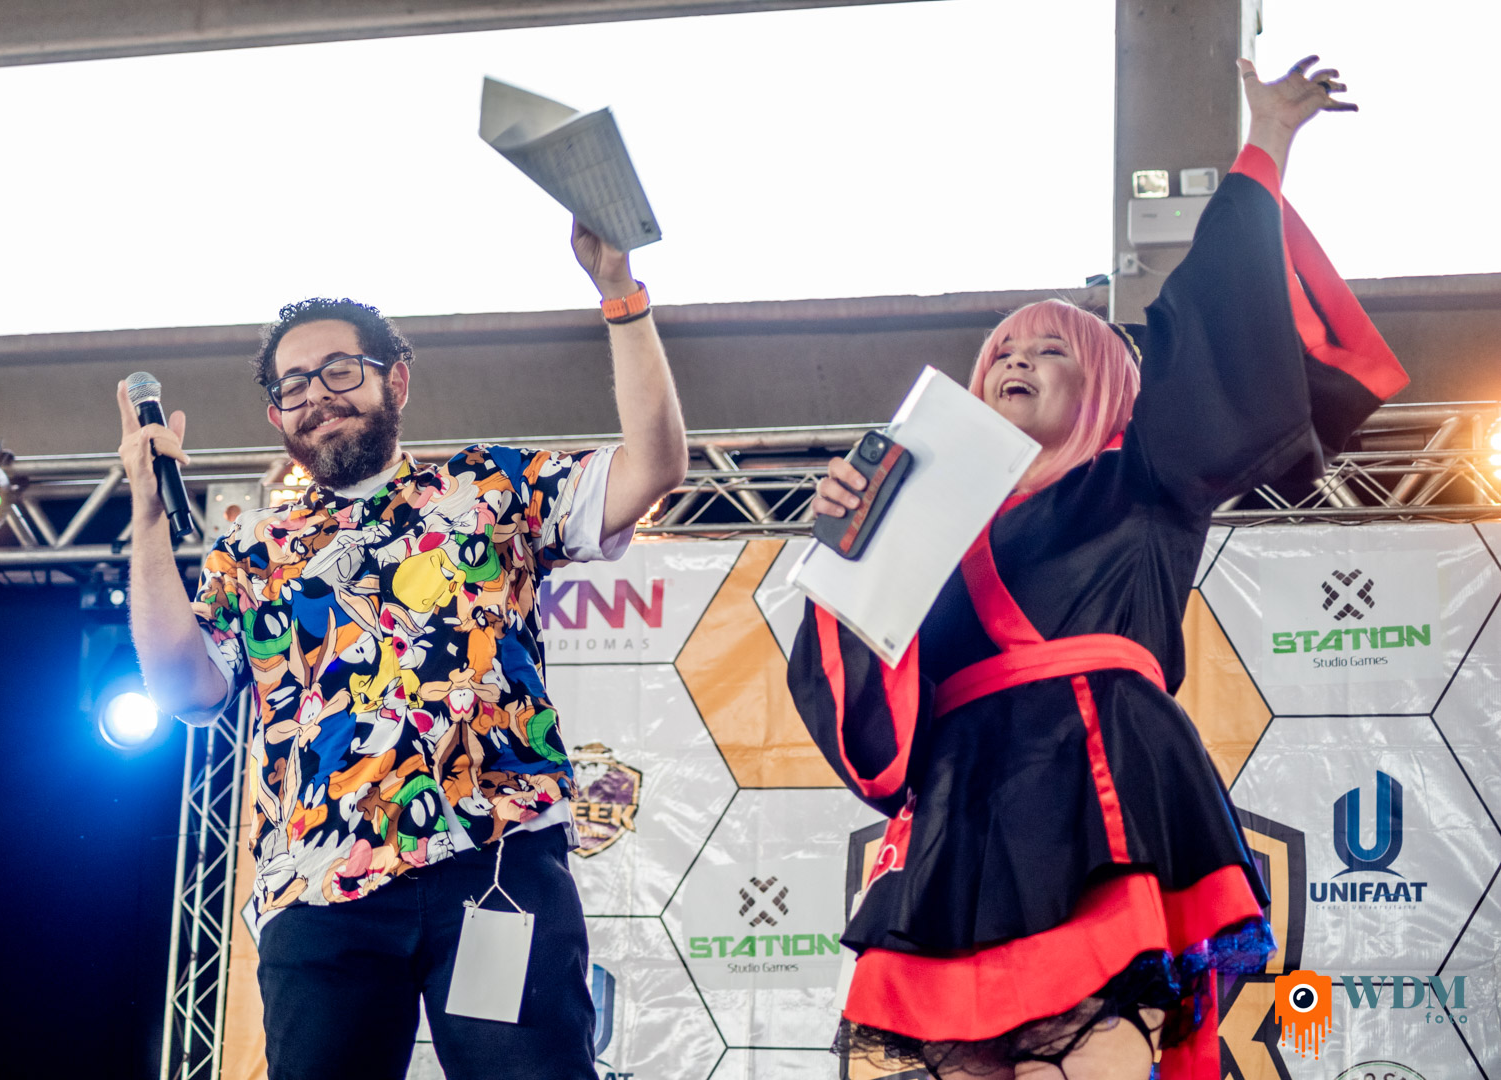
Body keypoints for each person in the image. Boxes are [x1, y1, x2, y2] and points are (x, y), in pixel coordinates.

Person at [790, 57, 1407, 1080]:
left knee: (1083, 1051)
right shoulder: (927, 527)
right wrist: (849, 541)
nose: (1016, 361)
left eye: (1051, 350)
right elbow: (861, 694)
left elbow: (1210, 327)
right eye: (1002, 352)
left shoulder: (1147, 471)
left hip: (1097, 781)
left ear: (1113, 387)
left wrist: (1265, 146)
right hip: (966, 807)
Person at [116, 222, 687, 1080]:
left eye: (340, 370)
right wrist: (147, 512)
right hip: (320, 886)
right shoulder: (252, 550)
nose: (318, 395)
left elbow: (653, 469)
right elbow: (181, 690)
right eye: (293, 385)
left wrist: (620, 294)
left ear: (397, 379)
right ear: (277, 416)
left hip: (495, 861)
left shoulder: (487, 486)